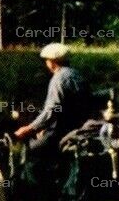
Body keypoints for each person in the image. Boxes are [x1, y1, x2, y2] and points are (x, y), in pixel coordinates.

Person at [13, 42, 92, 180]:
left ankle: (35, 195)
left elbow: (52, 111)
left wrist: (30, 128)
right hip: (79, 126)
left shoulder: (58, 79)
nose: (46, 64)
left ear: (52, 62)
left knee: (32, 149)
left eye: (47, 61)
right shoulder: (77, 75)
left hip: (62, 130)